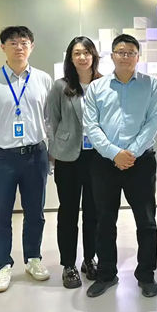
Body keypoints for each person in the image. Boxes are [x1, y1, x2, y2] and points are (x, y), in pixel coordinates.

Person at [0, 26, 53, 293]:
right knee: (0, 214)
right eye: (13, 43)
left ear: (32, 46)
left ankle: (33, 259)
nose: (19, 47)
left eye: (24, 42)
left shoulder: (43, 79)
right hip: (2, 158)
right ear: (3, 47)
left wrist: (51, 152)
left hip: (36, 155)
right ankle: (2, 266)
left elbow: (49, 120)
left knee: (35, 212)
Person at [83, 34, 157, 298]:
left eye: (131, 52)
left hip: (141, 162)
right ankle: (106, 274)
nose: (126, 56)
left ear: (138, 56)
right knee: (104, 221)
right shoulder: (97, 87)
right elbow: (91, 125)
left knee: (146, 221)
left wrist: (131, 154)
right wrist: (114, 153)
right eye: (121, 52)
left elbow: (153, 122)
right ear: (112, 56)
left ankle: (146, 275)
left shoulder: (151, 85)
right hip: (105, 163)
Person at [46, 37, 102, 289]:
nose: (82, 57)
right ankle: (68, 264)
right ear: (70, 57)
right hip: (68, 156)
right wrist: (55, 148)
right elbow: (52, 120)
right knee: (68, 211)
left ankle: (90, 259)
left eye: (87, 52)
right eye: (77, 53)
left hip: (97, 157)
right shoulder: (61, 86)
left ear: (94, 56)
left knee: (94, 211)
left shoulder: (104, 84)